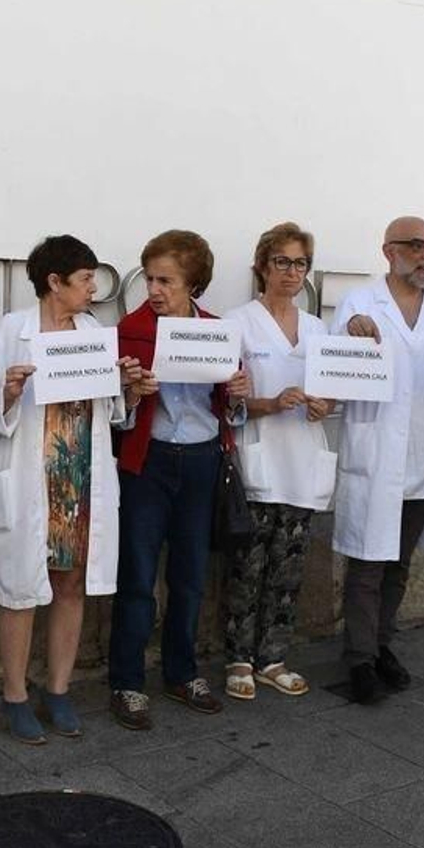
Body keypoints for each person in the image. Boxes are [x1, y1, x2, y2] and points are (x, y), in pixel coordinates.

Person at [0, 235, 142, 744]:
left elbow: (111, 412)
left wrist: (127, 388)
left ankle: (59, 690)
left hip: (78, 479)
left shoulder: (94, 333)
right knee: (21, 590)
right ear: (54, 282)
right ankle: (15, 696)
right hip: (31, 479)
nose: (93, 289)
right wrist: (8, 392)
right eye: (85, 279)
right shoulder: (13, 331)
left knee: (69, 585)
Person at [109, 230, 251, 731]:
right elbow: (114, 415)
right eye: (150, 279)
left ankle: (181, 672)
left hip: (202, 458)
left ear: (193, 284)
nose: (154, 290)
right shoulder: (130, 330)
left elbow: (229, 410)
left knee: (190, 576)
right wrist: (130, 393)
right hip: (148, 462)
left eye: (165, 281)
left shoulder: (217, 332)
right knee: (137, 575)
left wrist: (237, 393)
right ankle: (127, 681)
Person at [332, 217, 424, 704]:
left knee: (399, 564)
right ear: (389, 251)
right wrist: (350, 333)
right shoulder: (359, 303)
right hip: (378, 454)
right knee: (368, 563)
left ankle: (382, 644)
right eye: (416, 245)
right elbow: (335, 368)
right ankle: (359, 660)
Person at [223, 222, 335, 700]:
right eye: (282, 262)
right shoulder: (238, 323)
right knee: (247, 567)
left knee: (288, 569)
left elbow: (335, 391)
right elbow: (226, 401)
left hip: (303, 461)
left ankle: (273, 657)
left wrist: (324, 405)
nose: (292, 272)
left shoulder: (318, 329)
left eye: (300, 263)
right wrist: (269, 403)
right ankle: (238, 658)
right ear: (262, 267)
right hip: (260, 458)